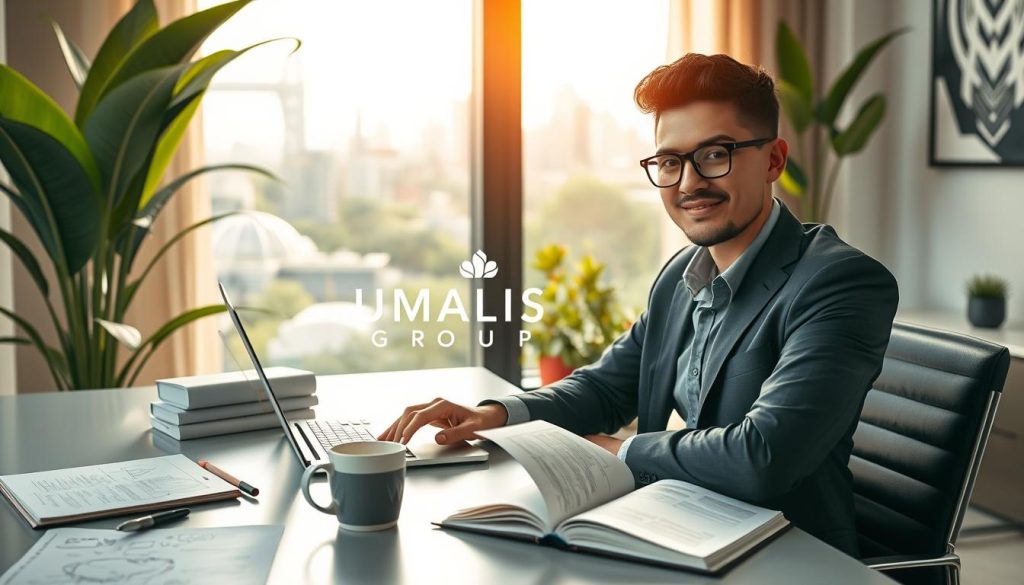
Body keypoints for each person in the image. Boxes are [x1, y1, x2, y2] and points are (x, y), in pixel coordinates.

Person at [379, 53, 898, 557]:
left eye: (715, 154)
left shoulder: (840, 283)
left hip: (786, 558)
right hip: (682, 527)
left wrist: (618, 449)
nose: (690, 182)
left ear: (773, 160)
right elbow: (607, 388)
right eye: (671, 162)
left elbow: (763, 457)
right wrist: (495, 413)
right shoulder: (681, 274)